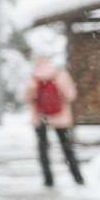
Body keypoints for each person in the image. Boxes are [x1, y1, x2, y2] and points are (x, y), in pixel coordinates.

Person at [24, 49, 84, 187]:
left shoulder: (33, 77)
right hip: (60, 116)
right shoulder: (59, 74)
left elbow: (27, 98)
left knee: (43, 149)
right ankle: (77, 177)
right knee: (66, 147)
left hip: (40, 117)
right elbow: (70, 94)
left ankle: (48, 180)